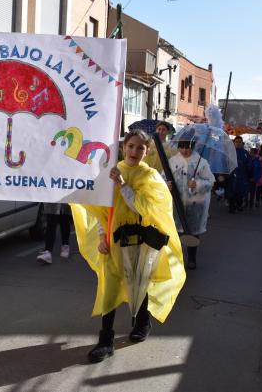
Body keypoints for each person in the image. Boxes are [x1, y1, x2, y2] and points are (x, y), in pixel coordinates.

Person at [70, 129, 185, 363]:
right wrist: (103, 237)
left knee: (139, 282)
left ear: (147, 150)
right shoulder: (111, 172)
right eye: (131, 146)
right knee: (110, 287)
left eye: (140, 148)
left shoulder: (151, 177)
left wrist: (123, 186)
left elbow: (145, 208)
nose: (134, 151)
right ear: (123, 148)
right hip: (115, 241)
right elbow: (103, 211)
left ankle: (142, 322)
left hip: (142, 242)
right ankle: (105, 340)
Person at [165, 136, 214, 269]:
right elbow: (163, 177)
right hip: (177, 203)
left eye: (187, 147)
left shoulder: (201, 162)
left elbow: (210, 182)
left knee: (193, 232)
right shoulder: (173, 160)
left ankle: (192, 258)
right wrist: (166, 184)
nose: (184, 150)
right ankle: (176, 260)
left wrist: (197, 184)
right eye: (182, 146)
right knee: (177, 232)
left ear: (192, 146)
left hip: (195, 205)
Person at [226, 136, 251, 213]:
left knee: (240, 192)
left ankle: (239, 204)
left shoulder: (245, 153)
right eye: (236, 142)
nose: (238, 143)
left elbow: (249, 165)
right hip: (231, 175)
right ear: (234, 143)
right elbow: (225, 163)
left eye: (239, 142)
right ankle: (232, 207)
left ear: (242, 143)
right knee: (231, 192)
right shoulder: (229, 152)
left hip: (242, 176)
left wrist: (249, 175)